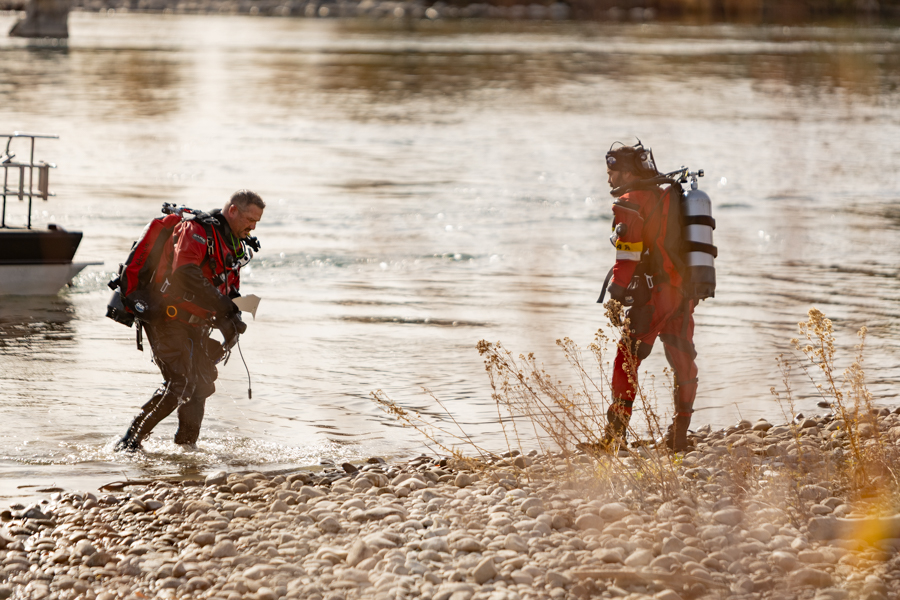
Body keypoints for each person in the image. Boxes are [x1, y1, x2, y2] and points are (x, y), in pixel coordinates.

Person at [115, 190, 265, 452]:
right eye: (250, 219)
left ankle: (187, 450)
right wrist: (223, 307)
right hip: (165, 315)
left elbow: (226, 288)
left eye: (257, 222)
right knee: (181, 382)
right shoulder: (195, 230)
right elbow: (185, 273)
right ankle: (127, 444)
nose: (253, 227)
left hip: (196, 322)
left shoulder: (234, 242)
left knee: (202, 385)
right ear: (232, 211)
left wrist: (232, 316)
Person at [599, 142, 698, 452]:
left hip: (654, 297)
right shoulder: (670, 194)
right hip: (683, 292)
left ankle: (615, 438)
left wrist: (615, 296)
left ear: (628, 172)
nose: (609, 178)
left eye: (612, 171)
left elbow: (627, 257)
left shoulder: (629, 204)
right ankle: (679, 433)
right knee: (682, 358)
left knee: (625, 358)